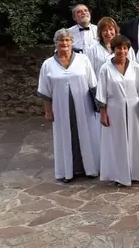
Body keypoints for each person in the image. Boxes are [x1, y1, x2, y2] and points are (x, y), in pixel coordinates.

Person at [38, 29, 101, 182]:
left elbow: (93, 85)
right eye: (61, 40)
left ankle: (89, 169)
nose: (64, 43)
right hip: (60, 108)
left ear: (72, 42)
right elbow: (45, 90)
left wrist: (99, 107)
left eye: (67, 40)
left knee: (86, 135)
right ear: (56, 43)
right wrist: (48, 111)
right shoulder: (48, 64)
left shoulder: (83, 60)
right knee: (64, 137)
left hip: (84, 106)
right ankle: (67, 171)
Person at [96, 35, 139, 187]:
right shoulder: (105, 68)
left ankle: (138, 173)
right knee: (117, 142)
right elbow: (101, 92)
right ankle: (119, 175)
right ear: (113, 49)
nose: (122, 51)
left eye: (125, 48)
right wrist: (103, 113)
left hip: (134, 107)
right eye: (119, 48)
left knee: (136, 140)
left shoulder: (135, 67)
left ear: (128, 50)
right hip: (114, 108)